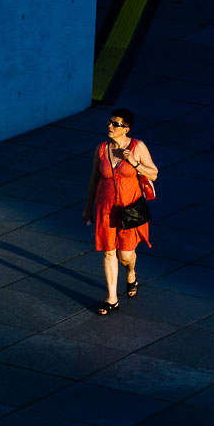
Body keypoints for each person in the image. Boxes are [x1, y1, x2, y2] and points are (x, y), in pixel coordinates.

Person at [83, 108, 159, 315]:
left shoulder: (137, 147)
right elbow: (94, 180)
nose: (110, 126)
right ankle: (112, 298)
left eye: (115, 124)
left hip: (129, 209)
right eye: (110, 122)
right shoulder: (101, 149)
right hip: (105, 208)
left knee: (125, 255)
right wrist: (88, 207)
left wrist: (134, 163)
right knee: (109, 252)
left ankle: (131, 273)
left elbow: (154, 174)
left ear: (126, 128)